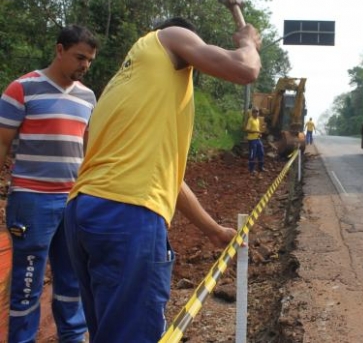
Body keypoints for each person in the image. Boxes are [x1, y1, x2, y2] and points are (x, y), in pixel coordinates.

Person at [63, 17, 262, 343]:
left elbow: (167, 179)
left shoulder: (127, 83)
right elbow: (244, 69)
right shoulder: (170, 37)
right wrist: (248, 42)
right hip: (127, 216)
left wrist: (213, 230)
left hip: (84, 211)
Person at [0, 25, 97, 343]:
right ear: (59, 50)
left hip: (72, 201)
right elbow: (2, 145)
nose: (84, 65)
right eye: (79, 57)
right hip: (32, 201)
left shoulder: (87, 97)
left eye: (90, 61)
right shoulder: (22, 89)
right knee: (27, 283)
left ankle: (72, 338)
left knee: (72, 281)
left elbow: (86, 148)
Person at [245, 106, 265, 177]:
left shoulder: (258, 120)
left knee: (261, 152)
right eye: (255, 112)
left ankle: (260, 167)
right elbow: (247, 129)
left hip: (257, 139)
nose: (257, 113)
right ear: (252, 113)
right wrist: (255, 131)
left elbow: (257, 129)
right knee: (252, 155)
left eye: (257, 112)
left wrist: (259, 134)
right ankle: (251, 169)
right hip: (252, 140)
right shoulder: (251, 120)